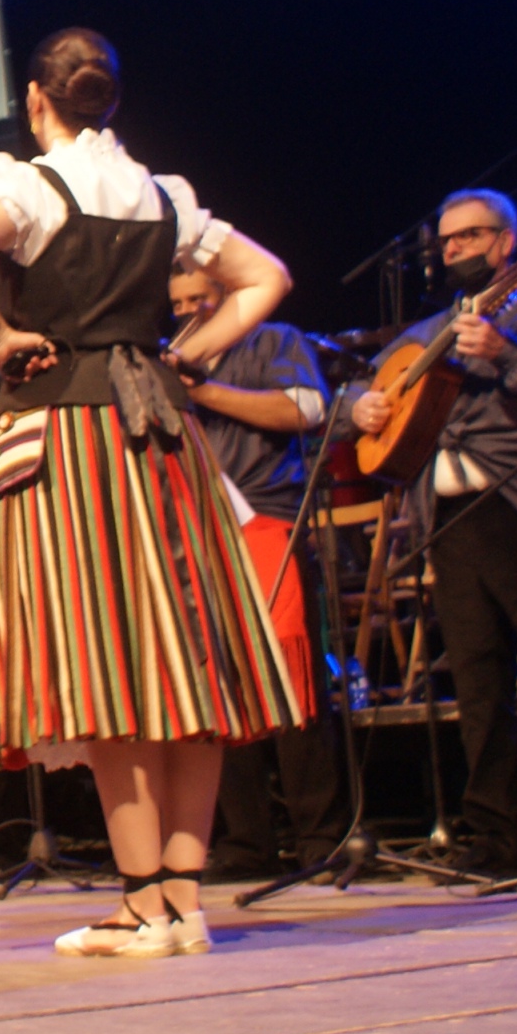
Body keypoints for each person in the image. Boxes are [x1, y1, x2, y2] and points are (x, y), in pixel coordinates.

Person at [0, 27, 305, 958]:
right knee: (185, 659)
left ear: (35, 101)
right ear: (113, 103)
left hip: (64, 438)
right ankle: (183, 898)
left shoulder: (21, 184)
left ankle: (141, 901)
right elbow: (268, 277)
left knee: (106, 661)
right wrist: (193, 349)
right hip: (162, 437)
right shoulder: (161, 195)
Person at [339, 188, 517, 878]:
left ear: (507, 242)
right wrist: (365, 407)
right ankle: (498, 837)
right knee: (476, 681)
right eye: (446, 242)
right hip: (453, 518)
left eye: (470, 236)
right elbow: (366, 392)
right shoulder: (431, 327)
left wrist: (505, 351)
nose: (455, 250)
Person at [168, 267, 348, 881]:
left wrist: (205, 393)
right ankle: (245, 845)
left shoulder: (272, 341)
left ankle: (319, 841)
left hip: (269, 521)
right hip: (199, 532)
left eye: (201, 299)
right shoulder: (166, 362)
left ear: (227, 296)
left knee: (293, 683)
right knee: (222, 692)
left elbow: (307, 409)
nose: (190, 312)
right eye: (179, 304)